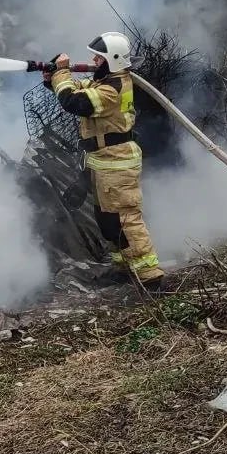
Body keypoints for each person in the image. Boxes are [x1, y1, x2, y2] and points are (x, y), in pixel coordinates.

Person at [44, 32, 166, 292]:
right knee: (108, 220)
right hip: (104, 161)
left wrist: (62, 75)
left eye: (98, 57)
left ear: (112, 60)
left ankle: (151, 277)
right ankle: (124, 268)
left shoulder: (113, 88)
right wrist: (53, 79)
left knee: (125, 219)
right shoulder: (107, 81)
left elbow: (75, 102)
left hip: (117, 162)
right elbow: (78, 90)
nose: (93, 60)